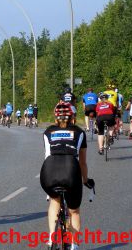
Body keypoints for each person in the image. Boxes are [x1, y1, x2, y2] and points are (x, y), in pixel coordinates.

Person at [40, 102, 94, 250]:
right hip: (71, 172)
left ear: (55, 117)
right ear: (72, 116)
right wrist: (85, 180)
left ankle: (52, 239)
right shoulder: (79, 132)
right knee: (74, 210)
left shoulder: (48, 131)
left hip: (48, 172)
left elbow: (47, 155)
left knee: (54, 202)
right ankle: (75, 245)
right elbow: (82, 162)